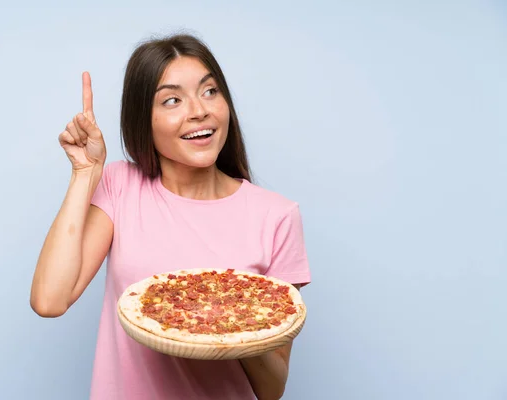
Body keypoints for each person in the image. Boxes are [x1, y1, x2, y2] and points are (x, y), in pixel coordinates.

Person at [30, 33, 311, 400]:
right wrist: (85, 173)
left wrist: (237, 313)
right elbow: (50, 301)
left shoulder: (277, 215)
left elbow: (272, 389)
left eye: (210, 91)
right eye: (172, 100)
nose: (199, 110)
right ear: (143, 120)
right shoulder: (120, 185)